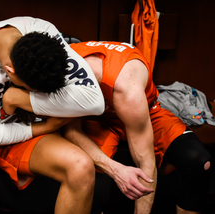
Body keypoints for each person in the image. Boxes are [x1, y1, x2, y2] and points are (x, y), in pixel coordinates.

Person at [0, 16, 106, 214]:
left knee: (81, 167)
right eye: (27, 89)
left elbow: (95, 102)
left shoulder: (43, 31)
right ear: (9, 71)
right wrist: (43, 128)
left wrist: (18, 99)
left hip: (16, 122)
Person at [62, 41, 213, 214]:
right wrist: (113, 169)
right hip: (100, 119)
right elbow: (71, 130)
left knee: (200, 162)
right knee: (84, 167)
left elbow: (145, 162)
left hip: (146, 112)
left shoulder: (127, 87)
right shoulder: (65, 64)